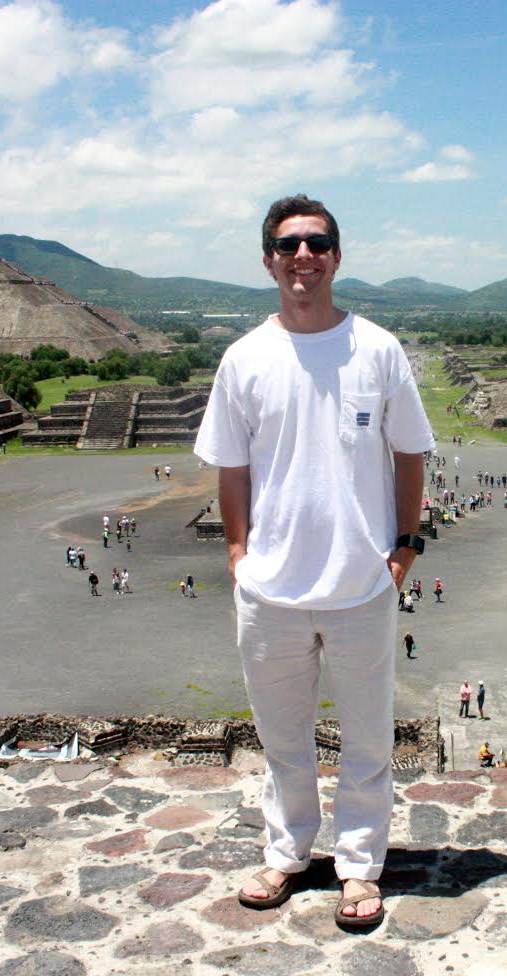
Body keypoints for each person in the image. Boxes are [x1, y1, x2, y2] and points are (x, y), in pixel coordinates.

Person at [196, 195, 433, 929]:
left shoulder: (378, 350)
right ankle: (289, 853)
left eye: (318, 243)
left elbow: (411, 451)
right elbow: (231, 469)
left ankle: (360, 868)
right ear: (268, 258)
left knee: (368, 735)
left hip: (362, 583)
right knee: (282, 736)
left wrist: (404, 545)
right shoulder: (246, 358)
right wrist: (239, 553)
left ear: (337, 255)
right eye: (289, 243)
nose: (304, 255)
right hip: (271, 587)